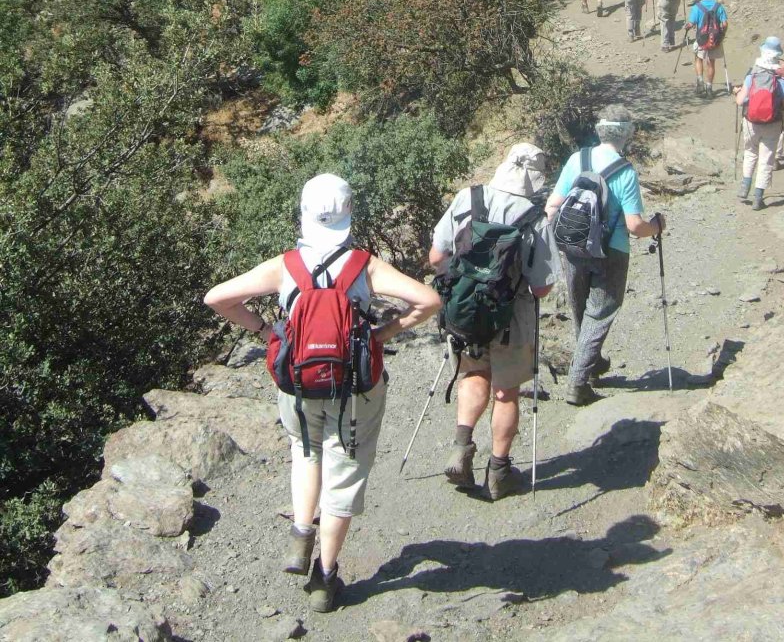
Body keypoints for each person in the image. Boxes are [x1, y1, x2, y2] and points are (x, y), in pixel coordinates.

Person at [204, 174, 440, 613]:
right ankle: (325, 579)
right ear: (350, 214)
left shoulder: (285, 265)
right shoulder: (364, 266)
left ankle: (300, 534)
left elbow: (217, 298)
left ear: (303, 213)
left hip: (297, 383)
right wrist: (383, 332)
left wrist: (266, 329)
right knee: (344, 472)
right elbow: (428, 300)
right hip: (355, 388)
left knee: (305, 452)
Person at [429, 144, 558, 501]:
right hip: (510, 317)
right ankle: (499, 472)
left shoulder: (467, 199)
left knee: (473, 375)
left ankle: (461, 447)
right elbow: (542, 286)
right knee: (507, 392)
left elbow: (436, 255)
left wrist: (464, 283)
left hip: (466, 311)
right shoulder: (534, 218)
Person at [546, 106, 666, 406]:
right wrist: (658, 226)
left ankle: (592, 361)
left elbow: (552, 206)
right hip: (610, 251)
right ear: (626, 133)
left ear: (601, 130)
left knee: (579, 308)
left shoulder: (578, 159)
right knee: (599, 313)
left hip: (572, 246)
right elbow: (635, 226)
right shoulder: (624, 171)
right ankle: (577, 383)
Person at [734, 37, 784, 210]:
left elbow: (740, 101)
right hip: (772, 125)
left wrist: (737, 93)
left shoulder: (751, 77)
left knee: (750, 153)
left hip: (751, 123)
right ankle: (758, 198)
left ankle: (745, 186)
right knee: (766, 160)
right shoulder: (781, 82)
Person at [689, 0, 728, 96]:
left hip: (702, 38)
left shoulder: (697, 7)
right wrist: (722, 34)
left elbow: (691, 23)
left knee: (698, 58)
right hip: (715, 39)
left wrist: (688, 26)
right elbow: (725, 24)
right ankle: (709, 88)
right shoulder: (719, 7)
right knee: (711, 63)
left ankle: (700, 83)